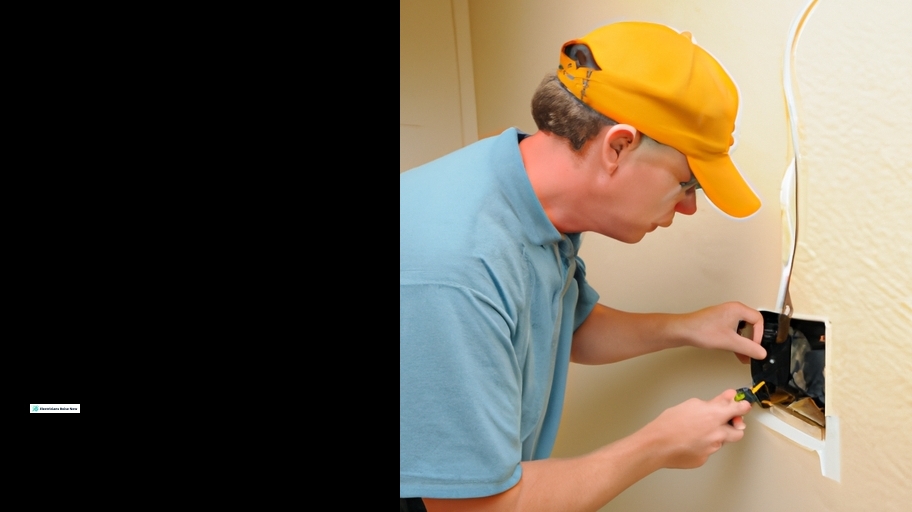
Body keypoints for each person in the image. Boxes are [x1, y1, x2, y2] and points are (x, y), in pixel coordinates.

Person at [400, 21, 768, 512]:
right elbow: (473, 508)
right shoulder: (456, 268)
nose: (688, 208)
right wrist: (657, 445)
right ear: (618, 146)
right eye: (687, 183)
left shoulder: (523, 197)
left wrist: (687, 328)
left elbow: (560, 325)